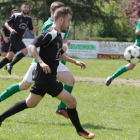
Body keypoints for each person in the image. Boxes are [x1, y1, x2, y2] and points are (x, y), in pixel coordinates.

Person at [0, 7, 95, 139]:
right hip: (46, 78)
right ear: (61, 19)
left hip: (44, 77)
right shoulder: (51, 33)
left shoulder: (57, 34)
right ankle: (80, 130)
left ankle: (1, 118)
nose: (69, 24)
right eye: (68, 21)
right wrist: (41, 62)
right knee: (72, 102)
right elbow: (32, 46)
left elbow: (59, 53)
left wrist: (74, 62)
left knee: (30, 103)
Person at [0, 1, 75, 119]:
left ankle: (61, 108)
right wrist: (41, 62)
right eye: (60, 12)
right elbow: (40, 44)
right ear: (53, 12)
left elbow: (57, 43)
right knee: (24, 86)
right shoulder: (49, 25)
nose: (62, 15)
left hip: (54, 61)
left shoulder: (64, 24)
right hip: (42, 62)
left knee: (70, 80)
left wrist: (65, 46)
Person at [0, 2, 38, 75]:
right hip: (14, 37)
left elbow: (32, 31)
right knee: (25, 51)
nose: (26, 9)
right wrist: (11, 29)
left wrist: (35, 30)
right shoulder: (16, 15)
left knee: (9, 57)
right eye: (24, 7)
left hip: (19, 38)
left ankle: (9, 64)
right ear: (21, 8)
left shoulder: (29, 19)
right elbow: (6, 23)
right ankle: (10, 65)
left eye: (27, 7)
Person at [106, 9, 140, 86]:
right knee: (130, 67)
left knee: (130, 67)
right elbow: (137, 32)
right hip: (138, 49)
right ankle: (112, 77)